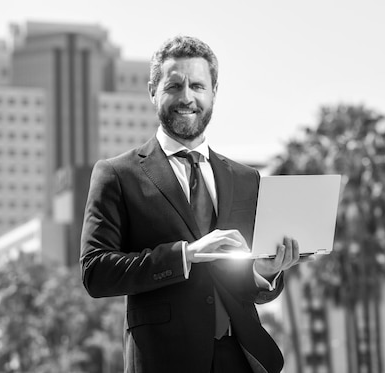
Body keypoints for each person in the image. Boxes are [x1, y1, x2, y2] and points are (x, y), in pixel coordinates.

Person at [80, 35, 313, 373]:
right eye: (174, 85)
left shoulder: (247, 179)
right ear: (152, 91)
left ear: (214, 93)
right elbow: (95, 272)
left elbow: (247, 287)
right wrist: (185, 255)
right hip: (164, 360)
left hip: (242, 359)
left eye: (198, 86)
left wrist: (266, 272)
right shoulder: (117, 174)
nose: (187, 97)